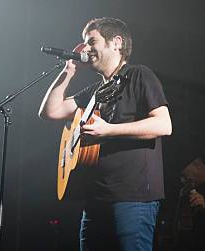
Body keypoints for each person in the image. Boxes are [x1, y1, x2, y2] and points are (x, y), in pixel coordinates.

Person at [39, 17, 172, 251]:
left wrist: (109, 131)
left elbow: (163, 125)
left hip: (133, 199)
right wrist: (68, 72)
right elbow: (51, 111)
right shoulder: (95, 91)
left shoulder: (138, 75)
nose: (85, 49)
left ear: (116, 43)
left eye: (92, 42)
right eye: (84, 43)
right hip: (96, 199)